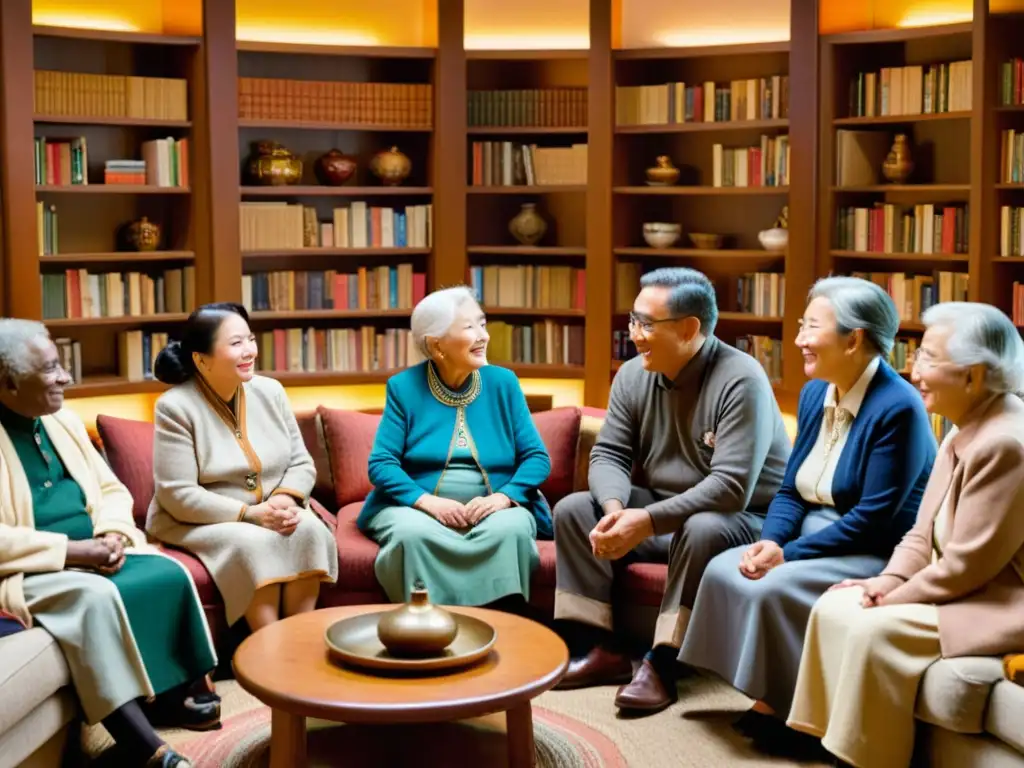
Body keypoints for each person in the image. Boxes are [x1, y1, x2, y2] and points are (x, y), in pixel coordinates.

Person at [678, 276, 936, 732]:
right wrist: (772, 539)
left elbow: (874, 519)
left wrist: (787, 555)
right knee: (724, 567)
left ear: (854, 339)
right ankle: (769, 693)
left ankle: (786, 712)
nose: (798, 340)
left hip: (875, 550)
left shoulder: (900, 408)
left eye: (810, 327)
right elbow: (791, 489)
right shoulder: (816, 391)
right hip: (811, 533)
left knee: (776, 585)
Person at [787, 302, 1024, 768]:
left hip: (998, 602)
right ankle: (826, 745)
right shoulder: (962, 427)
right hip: (961, 588)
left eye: (929, 359)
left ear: (974, 375)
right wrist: (885, 581)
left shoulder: (1006, 443)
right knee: (837, 605)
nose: (912, 370)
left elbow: (966, 568)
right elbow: (920, 534)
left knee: (874, 627)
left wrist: (892, 600)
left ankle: (868, 758)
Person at [552, 267, 792, 714]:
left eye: (646, 323)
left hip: (741, 522)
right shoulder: (632, 375)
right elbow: (609, 455)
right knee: (572, 510)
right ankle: (596, 647)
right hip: (662, 514)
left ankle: (664, 662)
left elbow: (731, 488)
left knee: (700, 526)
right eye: (633, 319)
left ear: (688, 329)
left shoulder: (742, 379)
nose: (634, 333)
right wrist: (614, 509)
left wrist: (644, 522)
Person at [0, 319, 217, 768]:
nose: (65, 377)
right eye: (51, 370)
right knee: (94, 597)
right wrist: (73, 552)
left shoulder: (60, 419)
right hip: (33, 568)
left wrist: (113, 533)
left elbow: (112, 490)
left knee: (167, 572)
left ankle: (174, 696)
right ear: (8, 383)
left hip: (95, 549)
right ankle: (147, 750)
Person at [146, 303, 338, 632]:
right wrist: (250, 514)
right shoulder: (175, 407)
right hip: (201, 519)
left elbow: (301, 461)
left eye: (250, 339)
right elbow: (177, 493)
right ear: (201, 358)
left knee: (309, 530)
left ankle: (300, 638)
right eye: (236, 343)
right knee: (255, 542)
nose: (249, 350)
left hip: (274, 509)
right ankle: (268, 646)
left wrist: (284, 501)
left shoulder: (270, 390)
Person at [360, 286, 551, 609]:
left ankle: (501, 626)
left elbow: (537, 458)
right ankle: (426, 630)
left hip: (493, 510)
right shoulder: (404, 387)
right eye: (469, 328)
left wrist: (502, 498)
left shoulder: (503, 383)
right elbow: (381, 464)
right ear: (436, 344)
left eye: (483, 324)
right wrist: (428, 503)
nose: (483, 336)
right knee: (410, 535)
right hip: (418, 512)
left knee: (513, 528)